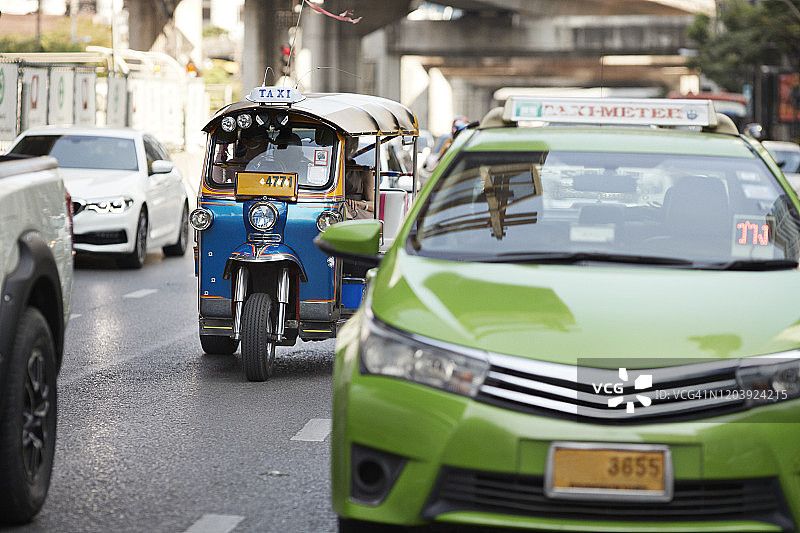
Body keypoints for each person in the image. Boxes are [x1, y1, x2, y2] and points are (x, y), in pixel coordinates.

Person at [343, 136, 375, 219]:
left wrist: (357, 204)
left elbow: (374, 205)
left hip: (357, 211)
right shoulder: (327, 171)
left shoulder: (365, 171)